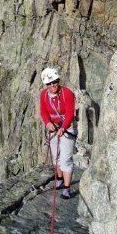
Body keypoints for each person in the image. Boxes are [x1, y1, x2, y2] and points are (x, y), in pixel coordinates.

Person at [40, 67, 77, 199]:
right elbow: (43, 111)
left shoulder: (66, 93)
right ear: (46, 85)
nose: (53, 85)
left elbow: (69, 113)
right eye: (49, 83)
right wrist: (48, 123)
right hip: (54, 128)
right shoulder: (44, 95)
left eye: (54, 81)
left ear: (58, 80)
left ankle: (67, 189)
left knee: (65, 159)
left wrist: (63, 128)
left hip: (67, 129)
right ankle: (60, 179)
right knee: (56, 157)